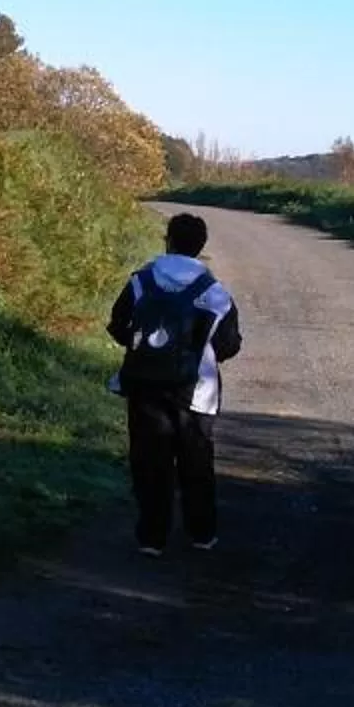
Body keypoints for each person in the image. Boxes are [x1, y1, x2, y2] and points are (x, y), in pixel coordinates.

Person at [106, 213, 242, 556]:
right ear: (201, 247)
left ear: (167, 240)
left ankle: (152, 538)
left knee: (150, 462)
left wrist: (150, 347)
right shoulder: (214, 292)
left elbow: (118, 326)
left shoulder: (141, 281)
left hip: (144, 385)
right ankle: (202, 534)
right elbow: (229, 345)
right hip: (197, 392)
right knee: (196, 463)